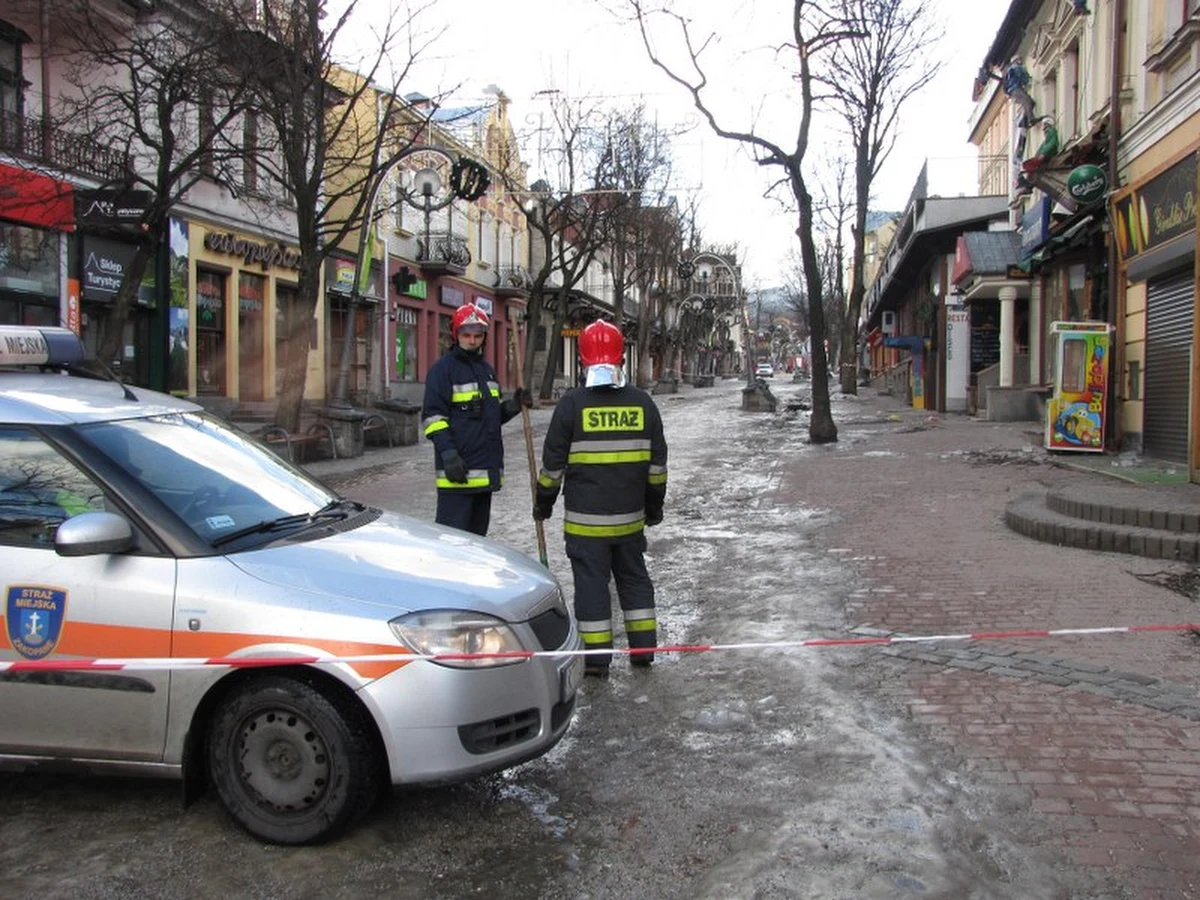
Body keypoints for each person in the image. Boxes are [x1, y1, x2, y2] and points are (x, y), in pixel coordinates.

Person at [533, 319, 668, 678]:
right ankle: (643, 650)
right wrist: (653, 509)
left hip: (585, 524)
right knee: (635, 580)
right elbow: (657, 469)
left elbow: (552, 468)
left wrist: (543, 503)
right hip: (630, 521)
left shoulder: (572, 406)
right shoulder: (644, 405)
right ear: (621, 358)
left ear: (582, 360)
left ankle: (596, 661)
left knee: (592, 588)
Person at [422, 302, 530, 536]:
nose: (472, 341)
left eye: (477, 336)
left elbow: (489, 418)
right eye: (466, 335)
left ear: (484, 337)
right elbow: (432, 416)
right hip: (457, 476)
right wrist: (448, 453)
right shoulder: (443, 370)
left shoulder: (487, 371)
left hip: (484, 475)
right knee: (453, 544)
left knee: (478, 545)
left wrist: (513, 406)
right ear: (456, 335)